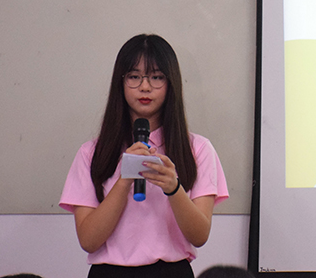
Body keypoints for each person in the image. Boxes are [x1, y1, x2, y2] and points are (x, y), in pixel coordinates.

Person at [60, 34, 228, 278]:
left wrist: (174, 188)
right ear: (120, 82)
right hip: (110, 273)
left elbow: (200, 235)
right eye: (134, 76)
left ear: (171, 83)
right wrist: (124, 179)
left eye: (157, 77)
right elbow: (88, 240)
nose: (145, 87)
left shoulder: (198, 149)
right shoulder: (92, 153)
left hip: (171, 272)